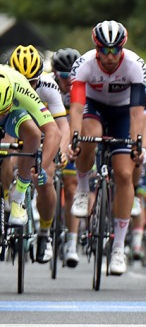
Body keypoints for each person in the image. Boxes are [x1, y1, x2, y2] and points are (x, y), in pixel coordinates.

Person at [67, 20, 146, 276]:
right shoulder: (84, 65)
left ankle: (119, 248)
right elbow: (77, 109)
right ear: (96, 48)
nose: (110, 56)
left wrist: (137, 143)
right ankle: (82, 188)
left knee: (124, 173)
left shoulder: (135, 65)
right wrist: (74, 139)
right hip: (94, 107)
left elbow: (137, 115)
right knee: (89, 137)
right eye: (104, 50)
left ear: (122, 47)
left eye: (115, 50)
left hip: (124, 113)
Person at [0, 65, 61, 230]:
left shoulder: (20, 86)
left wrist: (43, 166)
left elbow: (54, 132)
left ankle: (19, 196)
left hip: (12, 115)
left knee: (33, 133)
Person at [50, 48, 83, 266]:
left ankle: (72, 242)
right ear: (55, 74)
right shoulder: (48, 86)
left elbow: (80, 121)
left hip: (72, 137)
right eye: (63, 77)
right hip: (52, 135)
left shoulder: (81, 88)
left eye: (71, 76)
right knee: (44, 176)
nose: (67, 81)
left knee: (72, 187)